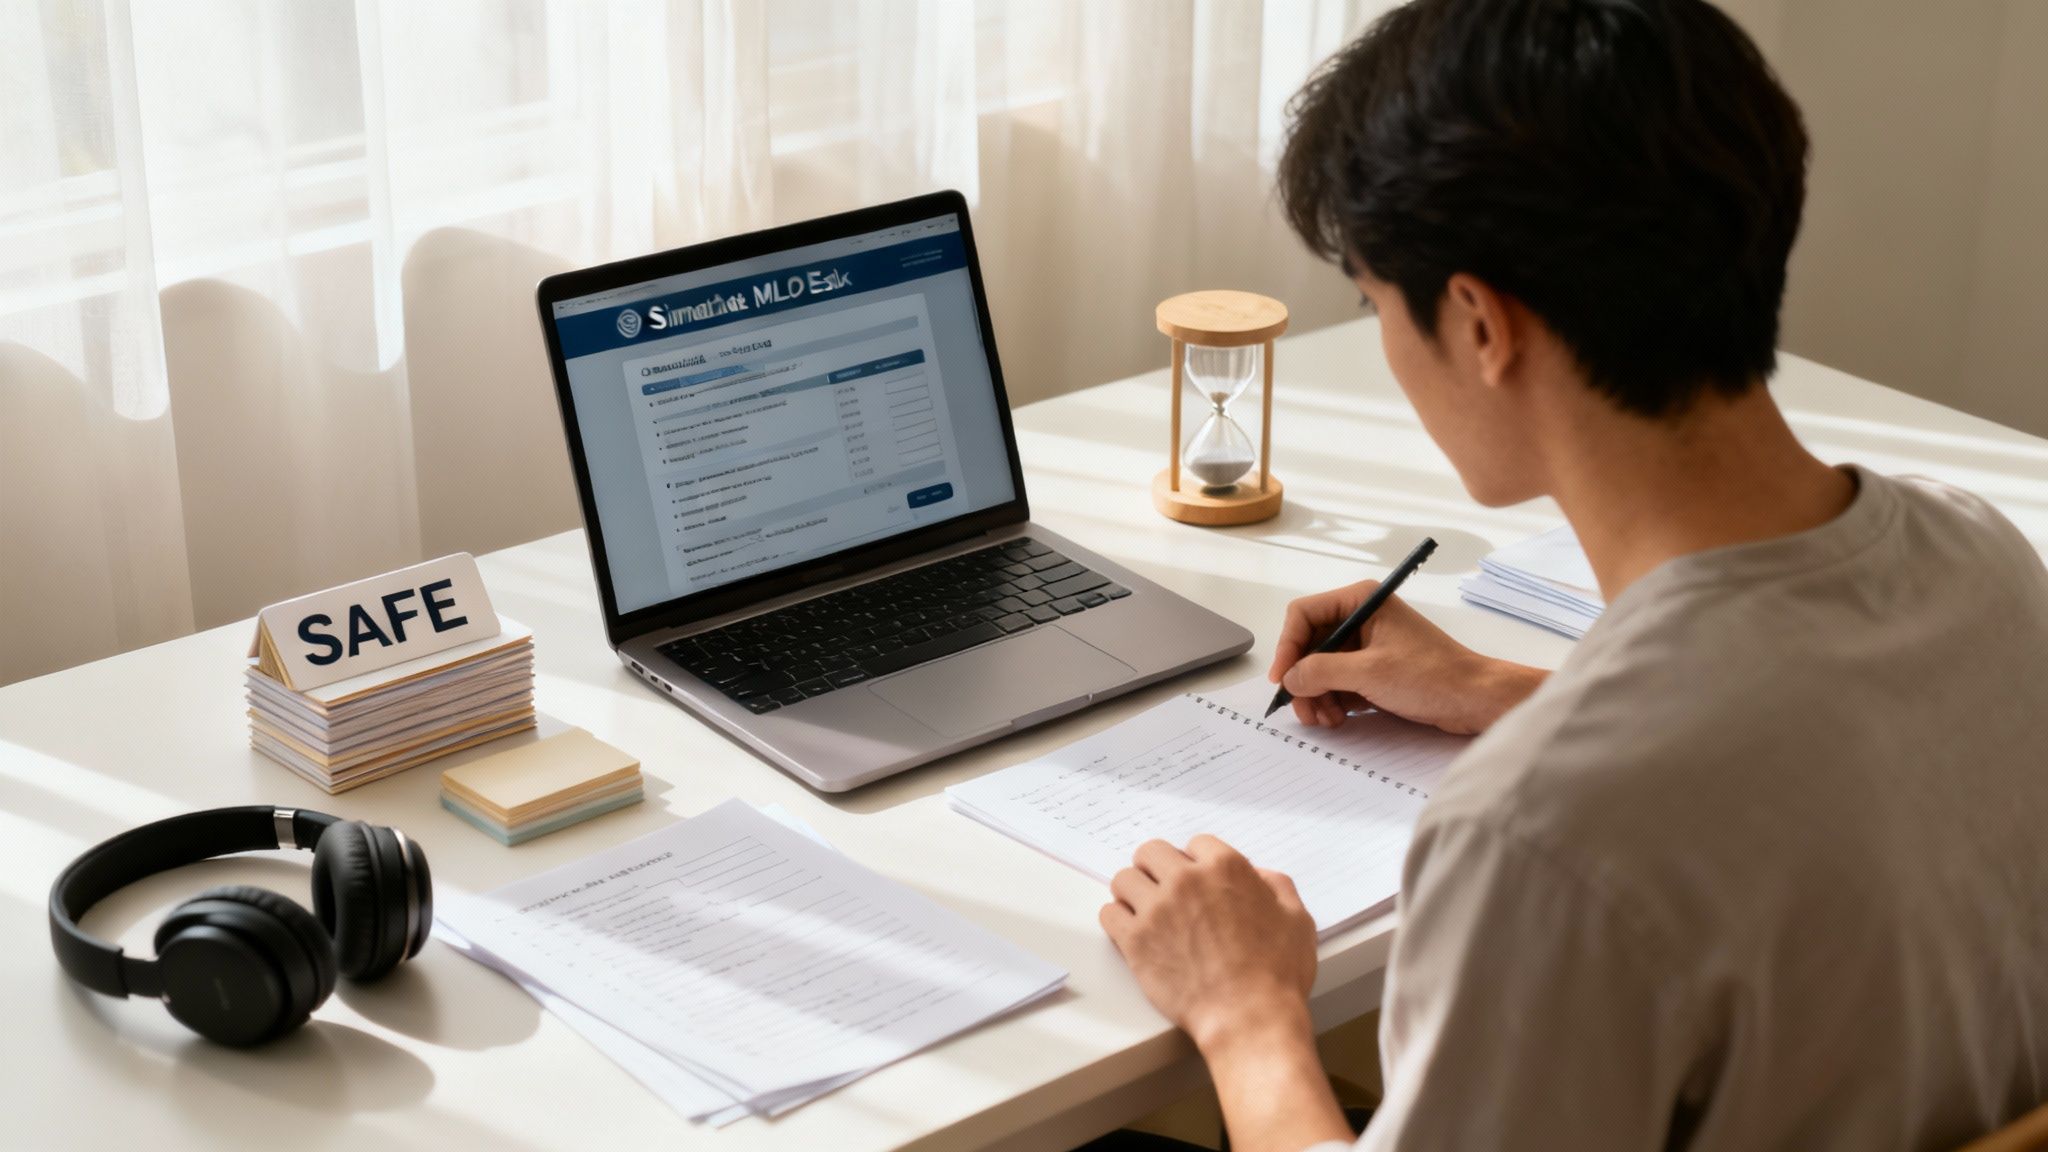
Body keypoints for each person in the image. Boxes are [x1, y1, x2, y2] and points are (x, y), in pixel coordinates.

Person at [1090, 1, 2048, 1150]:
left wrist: (1243, 1011)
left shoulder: (1536, 841)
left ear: (1480, 325)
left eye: (1371, 304)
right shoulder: (1980, 559)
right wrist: (1506, 694)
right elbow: (1808, 750)